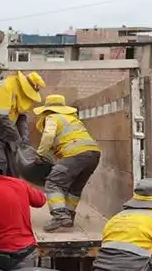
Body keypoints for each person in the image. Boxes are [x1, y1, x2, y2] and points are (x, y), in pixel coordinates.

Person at [33, 94, 101, 232]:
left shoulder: (52, 117)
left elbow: (48, 136)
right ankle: (68, 215)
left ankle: (59, 216)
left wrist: (40, 154)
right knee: (75, 187)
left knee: (53, 183)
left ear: (47, 109)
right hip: (93, 154)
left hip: (75, 154)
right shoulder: (73, 119)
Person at [0, 71, 45, 177]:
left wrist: (24, 139)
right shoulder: (5, 87)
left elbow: (22, 118)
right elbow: (2, 117)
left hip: (5, 132)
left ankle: (11, 190)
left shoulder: (22, 96)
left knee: (14, 168)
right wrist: (17, 139)